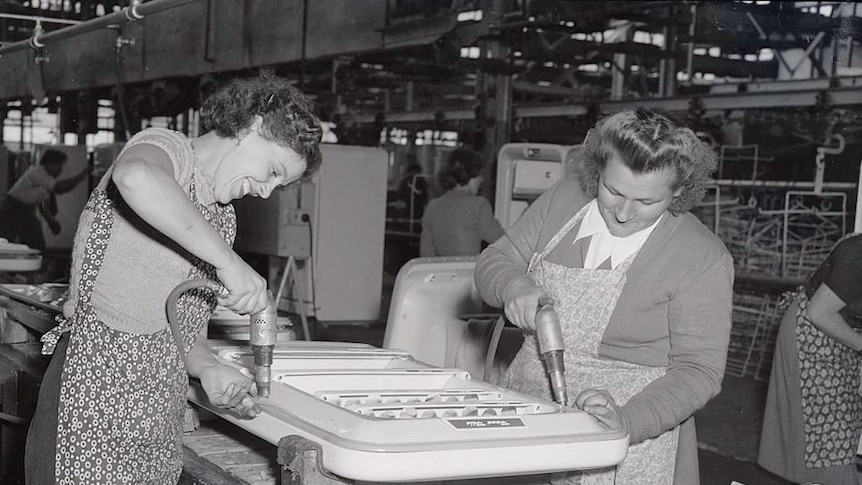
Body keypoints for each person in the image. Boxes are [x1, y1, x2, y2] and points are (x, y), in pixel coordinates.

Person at [24, 72, 322, 484]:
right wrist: (229, 263)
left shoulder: (221, 218)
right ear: (252, 126)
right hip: (90, 401)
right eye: (273, 171)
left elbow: (185, 327)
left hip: (153, 421)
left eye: (280, 185)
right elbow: (136, 178)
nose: (267, 192)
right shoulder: (168, 151)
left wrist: (207, 368)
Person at [474, 107, 734, 485]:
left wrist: (626, 420)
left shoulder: (702, 257)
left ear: (679, 191)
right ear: (597, 170)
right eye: (613, 191)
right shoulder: (565, 201)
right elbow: (495, 259)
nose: (624, 213)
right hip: (530, 411)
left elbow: (699, 371)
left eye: (647, 202)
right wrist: (512, 285)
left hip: (627, 434)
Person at [758, 233, 862, 485]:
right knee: (829, 438)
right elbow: (818, 312)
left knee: (841, 433)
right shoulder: (858, 252)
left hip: (841, 333)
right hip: (813, 336)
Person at [420, 148, 504, 257]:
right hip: (470, 267)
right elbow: (502, 242)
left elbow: (426, 254)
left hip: (442, 268)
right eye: (479, 175)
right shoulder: (479, 205)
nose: (481, 180)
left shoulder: (432, 206)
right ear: (469, 174)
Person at [0, 149, 89, 251]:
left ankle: (36, 258)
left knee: (36, 244)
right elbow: (60, 188)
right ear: (50, 163)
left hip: (25, 210)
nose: (61, 170)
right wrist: (82, 175)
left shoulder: (45, 178)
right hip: (12, 209)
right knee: (6, 242)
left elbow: (42, 203)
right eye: (59, 165)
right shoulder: (37, 173)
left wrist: (51, 221)